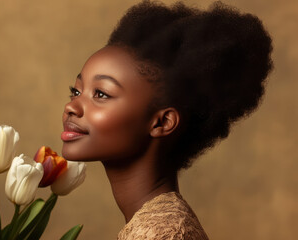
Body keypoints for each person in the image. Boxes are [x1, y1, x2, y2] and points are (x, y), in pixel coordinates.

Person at [60, 0, 273, 239]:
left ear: (162, 122)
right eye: (76, 91)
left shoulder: (163, 233)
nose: (72, 106)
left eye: (101, 94)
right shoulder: (156, 224)